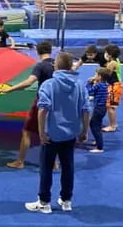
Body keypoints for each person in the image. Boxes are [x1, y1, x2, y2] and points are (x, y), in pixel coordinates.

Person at [25, 52, 90, 214]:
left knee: (46, 168)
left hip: (51, 135)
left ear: (56, 66)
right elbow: (86, 110)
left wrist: (41, 132)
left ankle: (44, 202)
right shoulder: (80, 85)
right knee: (68, 167)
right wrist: (84, 131)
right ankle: (66, 200)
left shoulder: (48, 85)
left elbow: (42, 111)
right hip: (70, 134)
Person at [2, 41, 54, 169]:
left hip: (42, 101)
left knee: (27, 131)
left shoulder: (40, 66)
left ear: (38, 52)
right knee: (51, 131)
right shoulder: (57, 64)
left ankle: (20, 161)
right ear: (50, 51)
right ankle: (53, 163)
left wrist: (10, 89)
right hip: (56, 102)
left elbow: (29, 82)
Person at [86, 67, 111, 153]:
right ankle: (98, 141)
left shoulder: (99, 85)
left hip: (98, 108)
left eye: (95, 74)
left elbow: (89, 91)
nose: (94, 76)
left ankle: (100, 147)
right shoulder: (106, 85)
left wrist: (89, 83)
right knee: (98, 125)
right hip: (103, 108)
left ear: (99, 77)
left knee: (94, 126)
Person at [102, 44, 123, 132]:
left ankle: (112, 126)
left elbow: (106, 74)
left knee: (110, 107)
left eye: (106, 53)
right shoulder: (116, 60)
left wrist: (95, 79)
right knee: (110, 106)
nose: (105, 54)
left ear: (110, 54)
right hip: (115, 85)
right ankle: (113, 124)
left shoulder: (112, 63)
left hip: (115, 86)